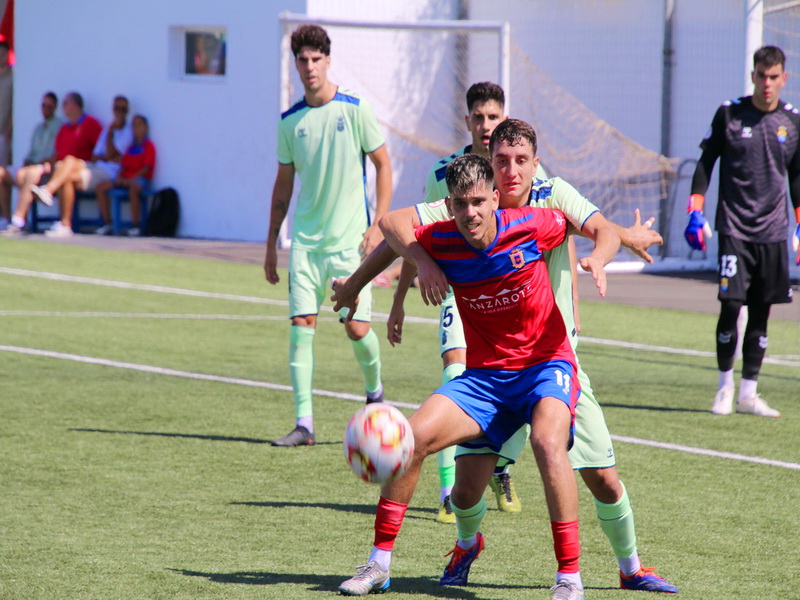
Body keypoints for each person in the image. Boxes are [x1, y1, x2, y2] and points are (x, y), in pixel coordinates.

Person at [333, 119, 678, 595]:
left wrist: (607, 249)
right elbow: (394, 227)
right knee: (441, 469)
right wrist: (373, 280)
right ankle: (388, 562)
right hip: (487, 378)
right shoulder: (453, 217)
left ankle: (595, 573)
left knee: (574, 460)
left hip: (550, 366)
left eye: (520, 162)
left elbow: (594, 227)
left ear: (529, 170)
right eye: (501, 161)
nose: (510, 171)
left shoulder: (544, 209)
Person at [422, 82, 557, 523]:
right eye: (478, 117)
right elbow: (419, 233)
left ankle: (499, 466)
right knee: (455, 371)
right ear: (468, 122)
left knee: (521, 386)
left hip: (514, 296)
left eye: (493, 117)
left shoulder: (519, 170)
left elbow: (560, 229)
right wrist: (407, 288)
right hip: (457, 288)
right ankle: (449, 489)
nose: (485, 125)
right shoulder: (443, 172)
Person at [263, 24, 393, 447]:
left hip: (350, 245)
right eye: (302, 59)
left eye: (315, 59)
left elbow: (383, 165)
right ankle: (304, 424)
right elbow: (283, 185)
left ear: (328, 60)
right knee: (301, 326)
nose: (309, 66)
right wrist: (271, 244)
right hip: (305, 244)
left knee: (356, 329)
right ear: (295, 64)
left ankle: (375, 393)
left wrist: (379, 224)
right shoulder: (290, 122)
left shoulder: (354, 109)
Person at [686, 45, 799, 418]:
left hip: (773, 232)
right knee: (732, 306)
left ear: (784, 78)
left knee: (762, 312)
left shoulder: (792, 121)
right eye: (761, 76)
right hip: (734, 228)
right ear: (753, 76)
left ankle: (749, 393)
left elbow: (797, 176)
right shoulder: (729, 114)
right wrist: (695, 210)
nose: (767, 83)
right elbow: (706, 162)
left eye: (774, 77)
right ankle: (724, 387)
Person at [0, 91, 102, 237]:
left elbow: (100, 151)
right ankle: (15, 220)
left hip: (80, 167)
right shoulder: (65, 128)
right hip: (58, 167)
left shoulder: (90, 124)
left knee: (64, 164)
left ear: (73, 104)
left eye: (65, 104)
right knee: (28, 173)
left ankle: (23, 218)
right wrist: (48, 164)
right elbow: (56, 153)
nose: (63, 108)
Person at [29, 95, 133, 238]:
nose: (119, 111)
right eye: (117, 108)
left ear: (127, 111)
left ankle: (62, 219)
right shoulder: (107, 128)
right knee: (67, 162)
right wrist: (107, 155)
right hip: (96, 166)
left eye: (123, 109)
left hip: (109, 172)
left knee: (66, 177)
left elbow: (111, 154)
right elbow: (96, 155)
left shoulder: (127, 131)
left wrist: (110, 136)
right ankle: (50, 196)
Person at [0, 91, 63, 229]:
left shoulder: (60, 126)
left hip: (45, 168)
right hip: (32, 166)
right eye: (43, 105)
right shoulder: (38, 128)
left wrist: (40, 164)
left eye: (49, 107)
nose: (45, 109)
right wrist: (27, 163)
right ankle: (6, 218)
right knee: (2, 173)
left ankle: (18, 220)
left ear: (55, 108)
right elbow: (30, 154)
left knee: (30, 174)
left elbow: (56, 153)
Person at [94, 114, 156, 236]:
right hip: (125, 179)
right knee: (100, 188)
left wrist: (132, 179)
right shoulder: (130, 148)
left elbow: (146, 168)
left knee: (133, 189)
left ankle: (135, 226)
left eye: (139, 125)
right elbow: (123, 166)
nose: (136, 128)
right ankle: (107, 224)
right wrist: (120, 177)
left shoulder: (149, 146)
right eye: (134, 126)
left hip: (140, 180)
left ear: (146, 128)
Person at [0, 41, 12, 168]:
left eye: (3, 53)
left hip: (3, 131)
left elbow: (14, 105)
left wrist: (9, 128)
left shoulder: (12, 76)